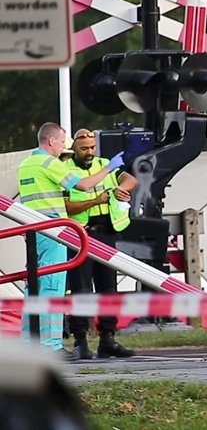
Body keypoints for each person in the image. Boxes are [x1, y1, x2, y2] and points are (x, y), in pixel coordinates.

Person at [16, 123, 125, 356]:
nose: (64, 146)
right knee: (53, 287)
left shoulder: (25, 165)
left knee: (32, 287)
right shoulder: (49, 163)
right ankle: (51, 346)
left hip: (33, 230)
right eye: (62, 141)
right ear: (51, 141)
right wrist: (110, 168)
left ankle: (28, 342)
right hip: (53, 228)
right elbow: (83, 185)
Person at [63, 129, 138, 360]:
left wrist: (122, 189)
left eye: (92, 148)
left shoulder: (104, 164)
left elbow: (131, 178)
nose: (89, 152)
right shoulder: (65, 170)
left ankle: (108, 339)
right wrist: (97, 200)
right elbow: (66, 206)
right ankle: (81, 341)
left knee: (108, 288)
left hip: (106, 233)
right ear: (74, 148)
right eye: (84, 148)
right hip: (80, 235)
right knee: (81, 289)